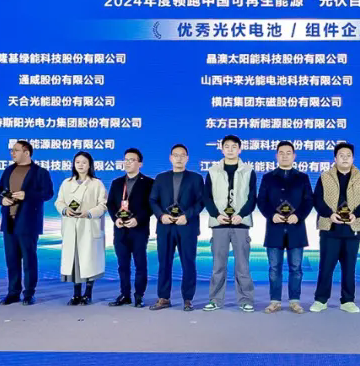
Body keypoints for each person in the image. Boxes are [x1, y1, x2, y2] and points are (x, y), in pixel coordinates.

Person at [310, 142, 360, 313]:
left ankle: (347, 301)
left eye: (348, 156)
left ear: (353, 158)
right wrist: (329, 214)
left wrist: (357, 214)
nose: (345, 158)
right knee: (326, 267)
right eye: (341, 155)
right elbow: (317, 199)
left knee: (349, 268)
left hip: (352, 229)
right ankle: (321, 300)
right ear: (335, 158)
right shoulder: (325, 177)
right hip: (330, 229)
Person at [256, 141, 314, 314]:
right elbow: (261, 201)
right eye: (281, 153)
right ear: (276, 155)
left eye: (289, 153)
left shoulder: (302, 178)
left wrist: (299, 215)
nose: (285, 156)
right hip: (275, 228)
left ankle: (295, 301)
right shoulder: (268, 177)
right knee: (274, 268)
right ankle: (275, 301)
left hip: (296, 229)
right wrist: (271, 215)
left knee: (296, 268)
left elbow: (308, 201)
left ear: (294, 156)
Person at [203, 134, 258, 312]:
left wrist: (241, 215)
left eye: (234, 146)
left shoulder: (248, 171)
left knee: (243, 266)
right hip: (219, 223)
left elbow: (252, 198)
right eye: (227, 146)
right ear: (222, 149)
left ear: (239, 149)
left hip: (241, 223)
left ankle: (246, 300)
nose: (230, 150)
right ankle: (215, 300)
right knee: (218, 266)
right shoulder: (213, 171)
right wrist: (216, 215)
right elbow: (206, 197)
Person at [0, 140, 54, 306]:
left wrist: (27, 195)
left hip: (28, 223)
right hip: (9, 221)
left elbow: (48, 193)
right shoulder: (8, 170)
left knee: (29, 259)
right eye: (12, 150)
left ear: (27, 152)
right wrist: (1, 200)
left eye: (16, 150)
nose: (12, 153)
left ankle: (29, 293)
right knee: (12, 260)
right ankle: (13, 292)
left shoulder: (40, 172)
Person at [148, 144, 204, 311]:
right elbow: (153, 200)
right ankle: (163, 298)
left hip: (187, 226)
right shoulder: (161, 178)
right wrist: (161, 216)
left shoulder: (196, 178)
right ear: (170, 158)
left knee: (188, 263)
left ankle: (188, 299)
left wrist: (187, 216)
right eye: (176, 155)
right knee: (164, 263)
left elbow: (201, 201)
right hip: (165, 227)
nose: (179, 158)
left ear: (187, 158)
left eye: (182, 155)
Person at [55, 151, 108, 306]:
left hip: (89, 226)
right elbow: (59, 202)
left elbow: (103, 205)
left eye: (84, 162)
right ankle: (76, 294)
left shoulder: (96, 184)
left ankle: (88, 294)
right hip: (71, 226)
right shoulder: (67, 183)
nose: (80, 165)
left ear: (89, 165)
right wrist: (65, 210)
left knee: (89, 261)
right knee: (74, 262)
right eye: (77, 162)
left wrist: (89, 213)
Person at [106, 147, 154, 308]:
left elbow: (151, 206)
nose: (127, 163)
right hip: (120, 230)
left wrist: (137, 219)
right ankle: (124, 294)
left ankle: (139, 295)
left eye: (132, 160)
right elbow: (110, 204)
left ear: (140, 164)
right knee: (123, 265)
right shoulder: (117, 182)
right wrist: (116, 219)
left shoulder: (148, 183)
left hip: (139, 229)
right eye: (125, 160)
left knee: (140, 264)